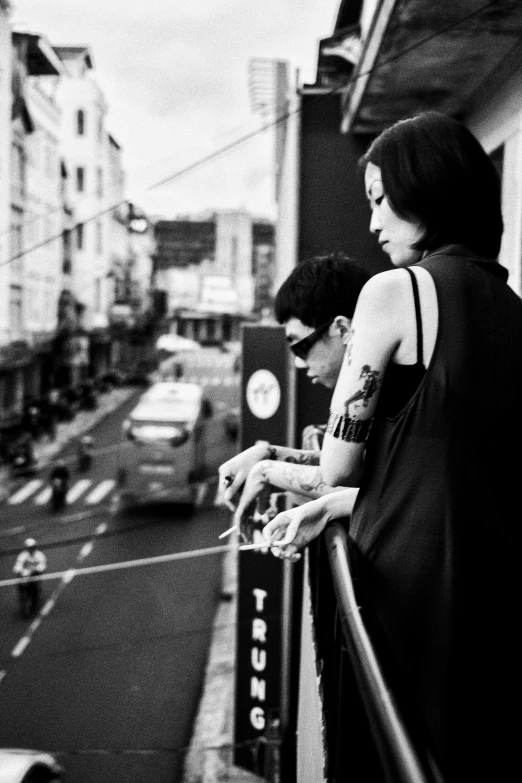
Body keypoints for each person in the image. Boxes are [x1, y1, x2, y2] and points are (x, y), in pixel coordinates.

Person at [264, 111, 521, 780]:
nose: (374, 222)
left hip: (405, 589)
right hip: (489, 592)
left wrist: (320, 489)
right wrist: (333, 507)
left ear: (426, 189)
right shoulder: (509, 304)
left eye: (380, 198)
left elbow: (338, 461)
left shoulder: (394, 291)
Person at [218, 254, 370, 534]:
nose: (300, 362)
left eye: (301, 347)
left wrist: (266, 470)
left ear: (342, 329)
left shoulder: (376, 396)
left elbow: (347, 480)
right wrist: (269, 454)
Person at [13, 538, 47, 616]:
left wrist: (33, 570)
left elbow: (42, 566)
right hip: (24, 577)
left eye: (32, 547)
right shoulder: (22, 555)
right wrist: (22, 572)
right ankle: (24, 607)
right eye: (29, 547)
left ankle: (33, 607)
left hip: (34, 577)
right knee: (22, 593)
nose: (31, 549)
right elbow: (17, 566)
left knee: (35, 593)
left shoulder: (40, 555)